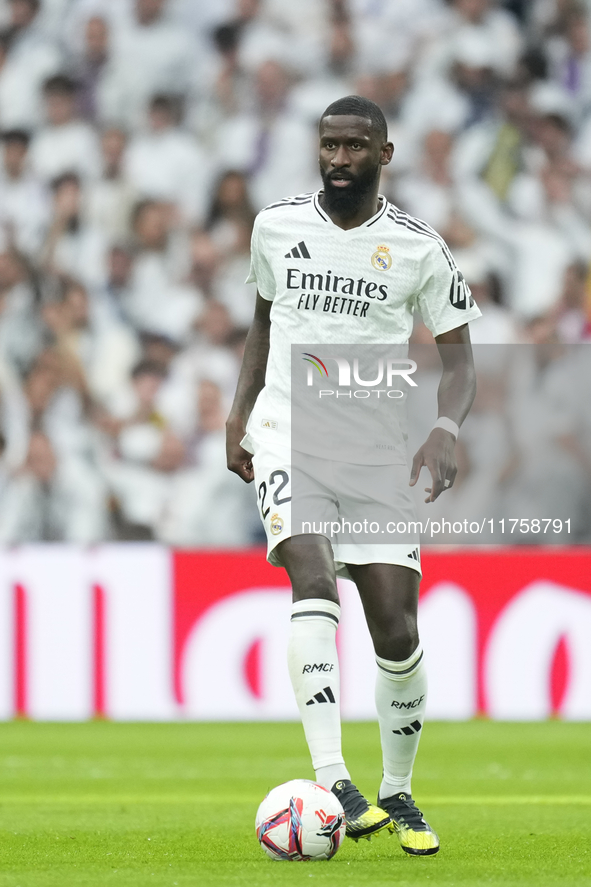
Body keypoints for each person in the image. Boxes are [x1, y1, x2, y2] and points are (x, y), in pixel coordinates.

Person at [226, 95, 480, 854]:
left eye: (353, 147)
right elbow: (261, 326)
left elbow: (461, 359)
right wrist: (238, 417)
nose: (338, 159)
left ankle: (398, 791)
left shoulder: (417, 248)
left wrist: (442, 427)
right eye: (328, 145)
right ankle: (334, 776)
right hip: (288, 433)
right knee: (311, 573)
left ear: (384, 154)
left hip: (373, 447)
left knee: (396, 629)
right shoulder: (274, 225)